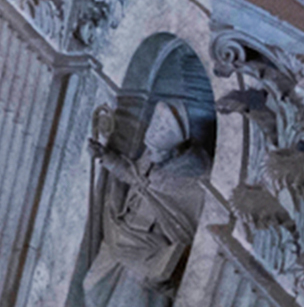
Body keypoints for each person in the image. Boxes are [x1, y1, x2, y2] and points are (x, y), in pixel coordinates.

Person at [79, 100, 208, 306]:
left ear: (176, 152)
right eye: (151, 151)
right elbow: (134, 176)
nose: (152, 157)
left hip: (148, 250)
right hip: (121, 233)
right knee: (92, 287)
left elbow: (187, 228)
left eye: (158, 153)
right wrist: (106, 156)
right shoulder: (154, 155)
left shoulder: (194, 182)